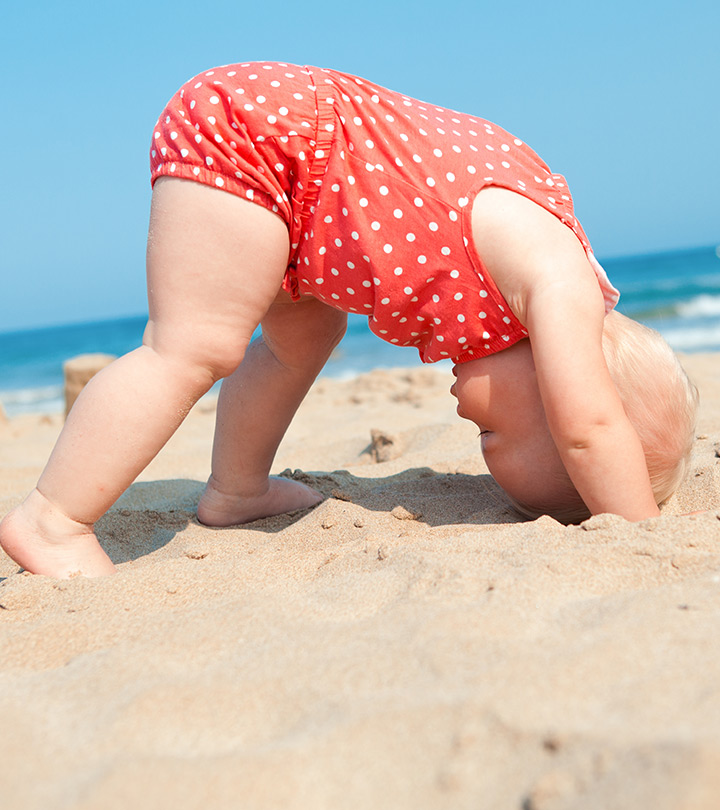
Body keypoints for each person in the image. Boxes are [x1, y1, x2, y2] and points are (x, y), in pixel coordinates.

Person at [0, 62, 698, 578]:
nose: (465, 414)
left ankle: (236, 489)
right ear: (565, 387)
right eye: (493, 429)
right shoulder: (560, 284)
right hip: (263, 139)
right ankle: (52, 519)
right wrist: (639, 534)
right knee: (190, 350)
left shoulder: (533, 270)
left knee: (306, 334)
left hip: (299, 193)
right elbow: (592, 431)